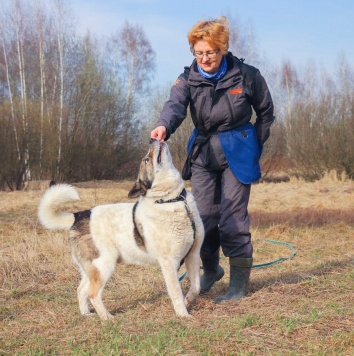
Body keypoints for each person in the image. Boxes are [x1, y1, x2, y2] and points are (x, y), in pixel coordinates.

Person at [150, 16, 274, 303]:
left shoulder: (247, 75)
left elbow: (266, 113)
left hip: (238, 151)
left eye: (211, 52)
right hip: (204, 153)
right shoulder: (188, 79)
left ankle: (238, 285)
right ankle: (211, 270)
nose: (205, 59)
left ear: (223, 49)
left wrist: (255, 144)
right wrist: (163, 126)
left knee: (232, 220)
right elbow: (175, 106)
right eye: (199, 53)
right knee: (201, 219)